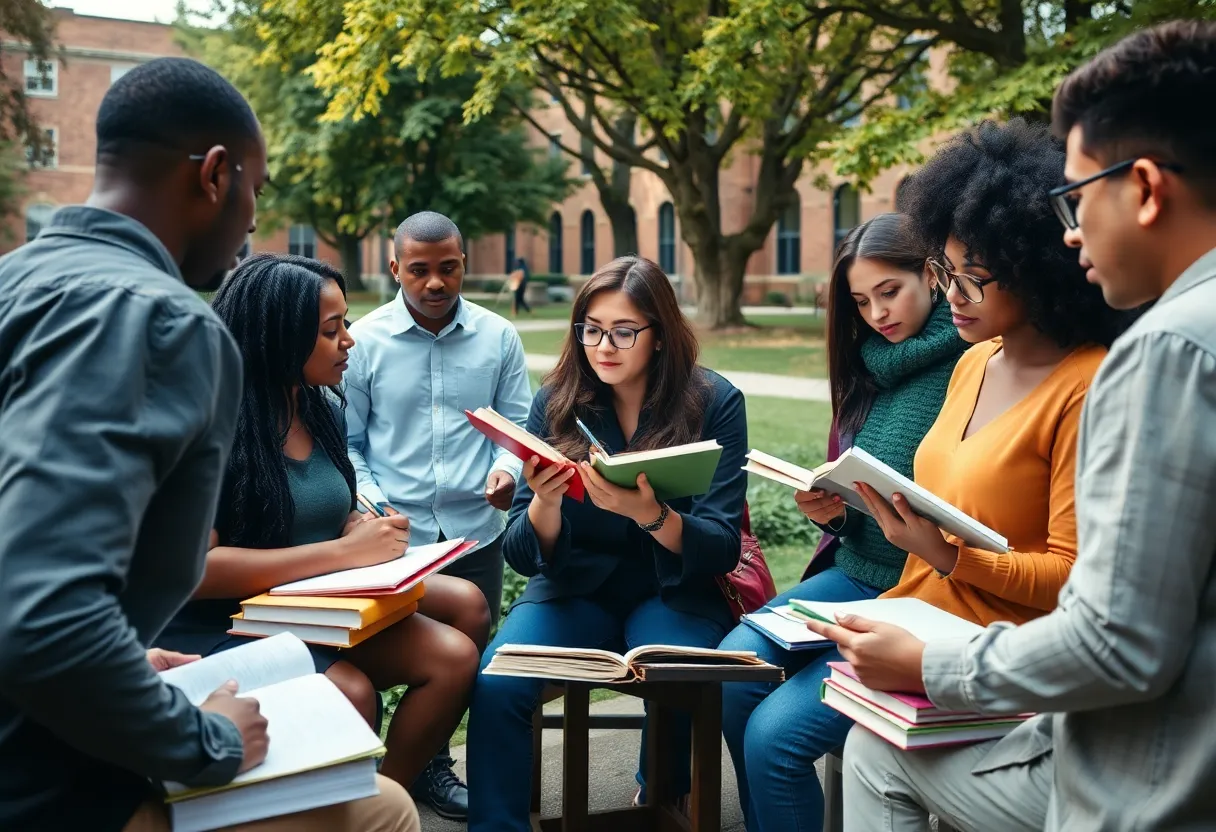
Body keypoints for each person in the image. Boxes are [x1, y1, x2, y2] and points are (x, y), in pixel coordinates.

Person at [0, 58, 417, 832]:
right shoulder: (159, 321)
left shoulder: (14, 284)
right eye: (256, 188)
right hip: (49, 778)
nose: (254, 218)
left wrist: (128, 662)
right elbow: (42, 616)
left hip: (65, 713)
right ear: (217, 174)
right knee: (382, 811)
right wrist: (204, 740)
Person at [819, 20, 1216, 832]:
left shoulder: (1167, 352)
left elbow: (1117, 643)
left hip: (1148, 781)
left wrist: (937, 666)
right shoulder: (984, 363)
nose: (1069, 233)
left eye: (1077, 198)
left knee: (873, 755)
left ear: (1144, 188)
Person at [156, 253, 488, 793]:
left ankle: (390, 795)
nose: (348, 341)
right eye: (331, 331)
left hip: (309, 599)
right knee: (352, 691)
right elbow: (196, 571)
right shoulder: (213, 427)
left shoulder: (317, 408)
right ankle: (348, 801)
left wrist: (360, 524)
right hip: (225, 620)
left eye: (345, 324)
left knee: (464, 615)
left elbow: (324, 505)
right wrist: (343, 553)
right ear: (279, 338)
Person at [466, 255, 749, 832]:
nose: (603, 347)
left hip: (673, 590)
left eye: (623, 332)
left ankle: (662, 795)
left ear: (660, 334)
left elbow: (722, 545)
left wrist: (650, 514)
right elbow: (521, 551)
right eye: (591, 330)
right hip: (573, 589)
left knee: (675, 673)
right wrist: (545, 503)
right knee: (498, 678)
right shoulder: (556, 400)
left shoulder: (715, 401)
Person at [718, 212, 967, 831]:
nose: (877, 313)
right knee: (730, 671)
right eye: (860, 301)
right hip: (855, 575)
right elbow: (865, 495)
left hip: (924, 591)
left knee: (773, 737)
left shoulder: (971, 360)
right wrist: (831, 511)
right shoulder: (870, 365)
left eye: (890, 291)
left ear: (932, 276)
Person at [345, 210, 533, 819]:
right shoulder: (364, 340)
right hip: (392, 541)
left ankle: (431, 766)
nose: (435, 283)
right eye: (419, 270)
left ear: (463, 264)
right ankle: (369, 773)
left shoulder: (498, 336)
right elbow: (347, 442)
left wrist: (508, 470)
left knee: (463, 665)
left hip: (476, 535)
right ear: (395, 267)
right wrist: (374, 504)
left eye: (448, 268)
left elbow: (518, 425)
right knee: (387, 660)